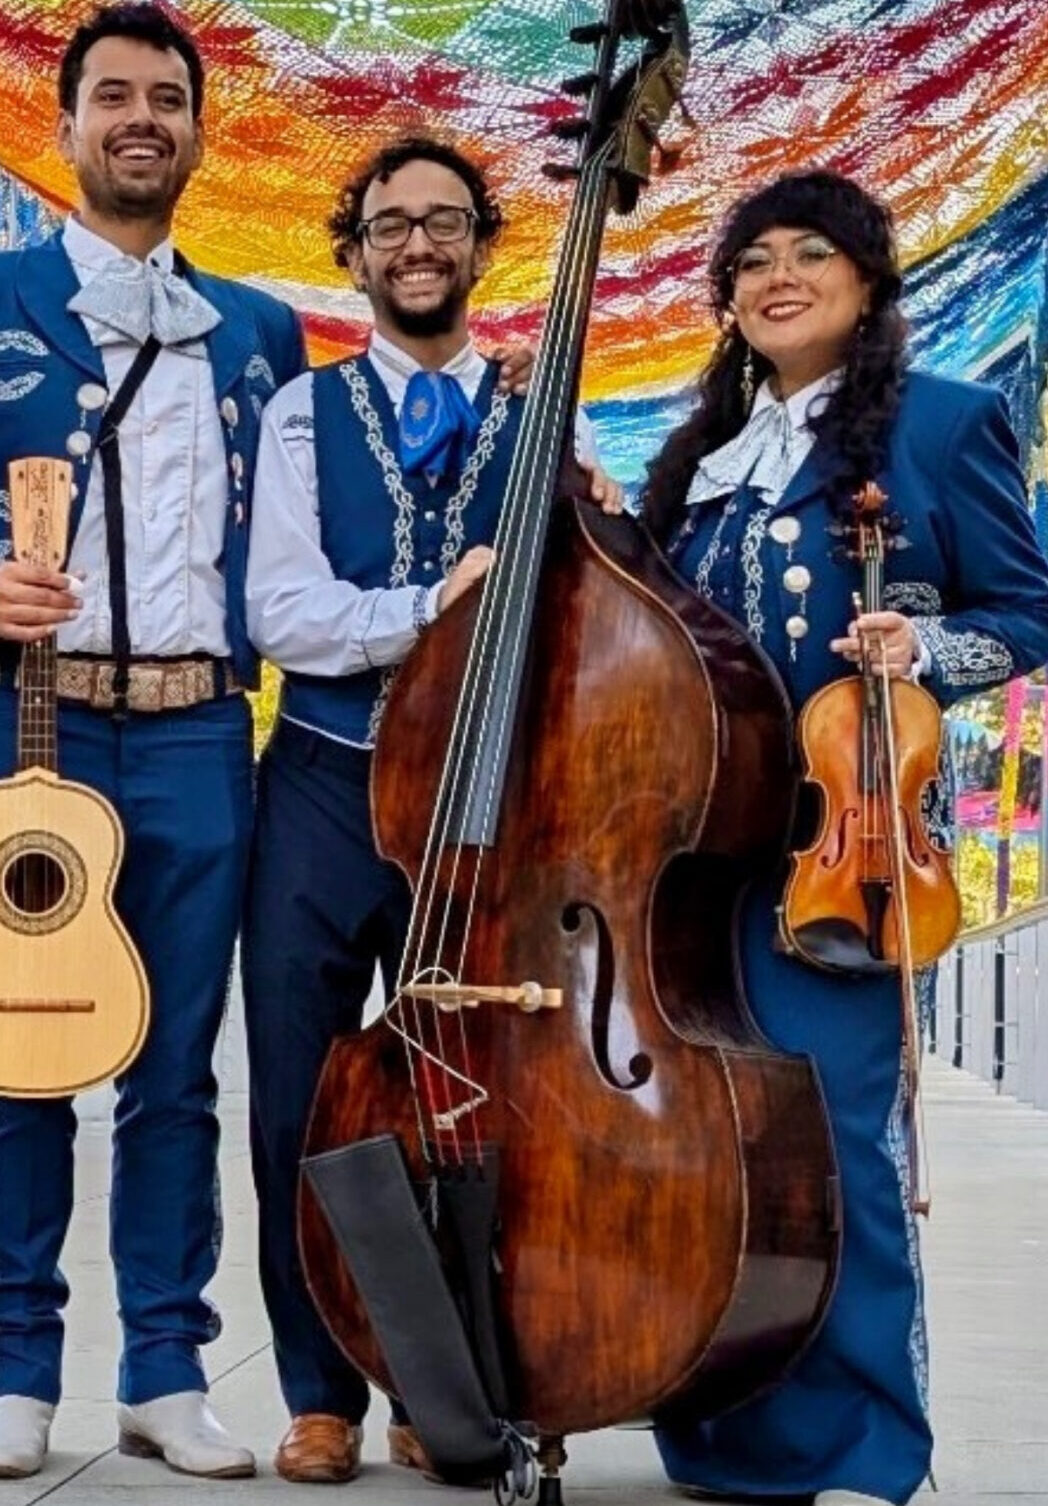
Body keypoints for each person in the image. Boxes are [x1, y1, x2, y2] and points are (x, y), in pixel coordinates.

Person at [0, 3, 307, 1481]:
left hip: (201, 726)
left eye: (168, 100)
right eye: (116, 97)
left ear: (197, 131)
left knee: (178, 1068)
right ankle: (16, 1366)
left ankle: (164, 1367)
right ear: (66, 125)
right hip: (29, 719)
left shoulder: (261, 330)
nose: (143, 120)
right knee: (18, 1043)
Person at [637, 169, 1048, 1506]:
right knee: (717, 1152)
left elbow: (1025, 617)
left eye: (810, 254)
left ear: (868, 280)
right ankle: (729, 1438)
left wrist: (920, 647)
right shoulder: (701, 452)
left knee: (839, 1149)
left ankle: (871, 1447)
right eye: (754, 260)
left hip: (845, 851)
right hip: (693, 865)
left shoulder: (943, 422)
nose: (779, 278)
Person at [238, 134, 610, 1486]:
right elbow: (279, 611)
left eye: (444, 221)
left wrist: (596, 527)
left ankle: (440, 1383)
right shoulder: (301, 413)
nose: (417, 244)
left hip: (492, 807)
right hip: (329, 784)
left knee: (482, 1093)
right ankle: (318, 1391)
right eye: (390, 223)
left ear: (482, 247)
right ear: (353, 253)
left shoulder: (547, 418)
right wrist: (427, 609)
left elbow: (591, 609)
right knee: (300, 1091)